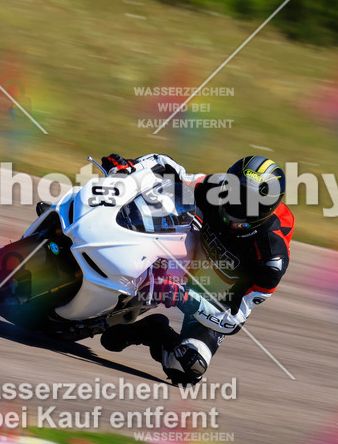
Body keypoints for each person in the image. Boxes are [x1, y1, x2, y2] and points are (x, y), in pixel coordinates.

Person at [99, 153, 293, 385]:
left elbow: (234, 320)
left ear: (266, 209)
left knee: (189, 367)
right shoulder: (214, 187)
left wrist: (183, 297)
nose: (235, 203)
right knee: (155, 202)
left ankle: (151, 331)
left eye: (248, 202)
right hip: (180, 258)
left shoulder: (272, 259)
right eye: (233, 191)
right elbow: (171, 171)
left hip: (211, 298)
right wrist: (131, 167)